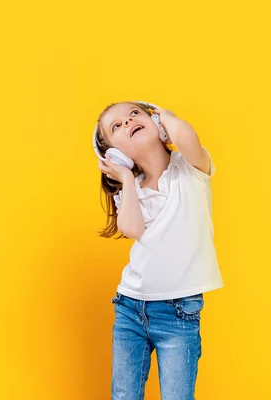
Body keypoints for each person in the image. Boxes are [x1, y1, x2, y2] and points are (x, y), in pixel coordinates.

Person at [95, 101, 224, 400]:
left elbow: (187, 137)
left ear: (155, 120)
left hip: (178, 312)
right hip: (130, 308)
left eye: (134, 115)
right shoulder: (130, 188)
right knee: (124, 395)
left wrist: (166, 117)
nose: (128, 122)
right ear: (114, 154)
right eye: (117, 126)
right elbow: (133, 230)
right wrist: (126, 178)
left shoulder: (191, 169)